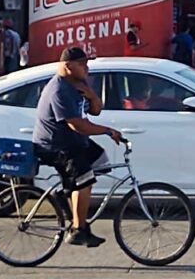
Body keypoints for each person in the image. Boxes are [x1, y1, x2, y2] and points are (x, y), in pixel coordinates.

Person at [32, 47, 123, 248]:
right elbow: (78, 125)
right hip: (56, 146)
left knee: (99, 159)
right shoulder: (59, 90)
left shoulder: (78, 84)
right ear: (68, 66)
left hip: (73, 141)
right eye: (82, 65)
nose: (87, 69)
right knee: (85, 179)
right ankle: (78, 230)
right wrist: (108, 131)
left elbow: (96, 111)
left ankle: (66, 192)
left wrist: (92, 96)